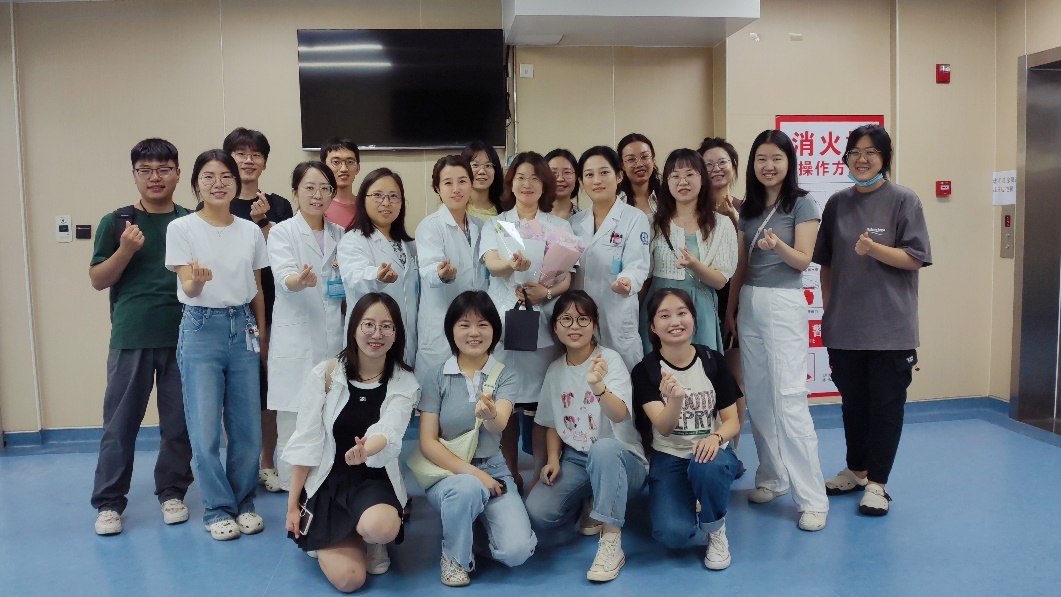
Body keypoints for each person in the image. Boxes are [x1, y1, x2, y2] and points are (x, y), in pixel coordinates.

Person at [814, 124, 932, 516]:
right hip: (845, 329)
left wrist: (874, 249)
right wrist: (830, 309)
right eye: (855, 152)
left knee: (886, 407)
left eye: (871, 152)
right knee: (853, 405)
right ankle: (857, 470)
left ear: (885, 158)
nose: (861, 160)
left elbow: (915, 257)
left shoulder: (904, 200)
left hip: (890, 330)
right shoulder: (837, 203)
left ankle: (878, 484)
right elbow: (827, 263)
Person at [725, 130, 829, 531]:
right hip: (750, 302)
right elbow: (740, 266)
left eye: (776, 158)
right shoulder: (749, 209)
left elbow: (804, 260)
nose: (768, 166)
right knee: (759, 397)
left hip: (784, 303)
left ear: (789, 163)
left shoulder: (803, 203)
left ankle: (812, 498)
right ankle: (772, 476)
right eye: (761, 159)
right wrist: (731, 311)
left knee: (789, 400)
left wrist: (776, 247)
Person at [89, 138, 193, 535]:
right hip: (131, 336)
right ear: (134, 175)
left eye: (164, 169)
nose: (155, 177)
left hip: (183, 337)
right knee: (119, 426)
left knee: (179, 425)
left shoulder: (190, 221)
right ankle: (109, 503)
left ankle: (172, 493)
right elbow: (98, 279)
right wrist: (125, 250)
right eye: (146, 170)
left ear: (178, 174)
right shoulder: (117, 222)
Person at [283, 293, 420, 593]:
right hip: (328, 483)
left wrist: (366, 449)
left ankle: (369, 539)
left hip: (373, 481)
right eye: (368, 324)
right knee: (349, 580)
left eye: (386, 327)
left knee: (381, 527)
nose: (377, 334)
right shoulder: (326, 374)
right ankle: (334, 537)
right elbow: (306, 441)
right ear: (354, 328)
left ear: (396, 334)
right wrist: (293, 506)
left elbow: (390, 429)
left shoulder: (404, 381)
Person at [165, 149, 269, 541]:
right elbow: (187, 286)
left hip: (243, 327)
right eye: (208, 177)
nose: (218, 183)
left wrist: (262, 334)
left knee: (248, 427)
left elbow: (257, 288)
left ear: (236, 184)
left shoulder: (250, 231)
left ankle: (244, 502)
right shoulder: (182, 228)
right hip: (200, 327)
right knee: (205, 427)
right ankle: (217, 509)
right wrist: (196, 280)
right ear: (196, 184)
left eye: (226, 176)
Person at [524, 291, 647, 583]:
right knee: (539, 512)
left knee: (603, 449)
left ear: (594, 325)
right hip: (578, 460)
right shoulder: (555, 370)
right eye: (566, 319)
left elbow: (619, 414)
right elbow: (551, 423)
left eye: (583, 319)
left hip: (621, 457)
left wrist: (598, 386)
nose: (574, 326)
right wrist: (553, 459)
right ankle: (591, 497)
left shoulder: (609, 360)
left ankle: (611, 541)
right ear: (555, 327)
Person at [418, 291, 537, 587]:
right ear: (451, 330)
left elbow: (499, 426)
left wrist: (490, 414)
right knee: (467, 488)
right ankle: (453, 557)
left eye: (483, 324)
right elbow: (428, 443)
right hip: (447, 472)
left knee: (517, 551)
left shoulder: (505, 375)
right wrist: (475, 475)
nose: (474, 332)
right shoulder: (436, 376)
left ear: (494, 330)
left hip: (494, 468)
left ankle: (468, 530)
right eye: (464, 324)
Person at [480, 151, 573, 494]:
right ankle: (509, 473)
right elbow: (491, 264)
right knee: (505, 403)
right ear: (511, 184)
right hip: (505, 326)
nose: (527, 184)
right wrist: (511, 266)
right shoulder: (496, 224)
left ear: (544, 184)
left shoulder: (560, 226)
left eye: (535, 177)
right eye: (520, 177)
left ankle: (537, 475)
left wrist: (545, 292)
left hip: (543, 325)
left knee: (540, 407)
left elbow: (567, 278)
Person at [632, 288, 742, 570]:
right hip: (670, 455)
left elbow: (732, 421)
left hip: (712, 453)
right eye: (664, 316)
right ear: (652, 326)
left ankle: (715, 528)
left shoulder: (712, 360)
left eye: (682, 313)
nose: (675, 322)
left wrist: (715, 438)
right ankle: (692, 496)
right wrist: (676, 400)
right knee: (673, 534)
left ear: (693, 318)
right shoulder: (645, 370)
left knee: (708, 464)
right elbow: (664, 428)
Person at [221, 127, 295, 494]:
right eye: (240, 154)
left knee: (269, 390)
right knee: (234, 392)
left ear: (264, 162)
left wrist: (264, 222)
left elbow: (284, 252)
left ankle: (267, 463)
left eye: (256, 155)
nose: (248, 160)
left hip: (274, 305)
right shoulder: (219, 204)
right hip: (230, 308)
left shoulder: (278, 204)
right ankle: (240, 464)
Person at [266, 161, 345, 491]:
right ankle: (291, 490)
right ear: (295, 192)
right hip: (296, 340)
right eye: (309, 188)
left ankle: (324, 486)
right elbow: (283, 277)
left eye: (324, 188)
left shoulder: (340, 234)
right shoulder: (282, 232)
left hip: (334, 339)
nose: (317, 195)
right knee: (293, 421)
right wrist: (298, 281)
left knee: (330, 418)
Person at [641, 148, 737, 356]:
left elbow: (720, 281)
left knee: (701, 369)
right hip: (660, 309)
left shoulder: (721, 224)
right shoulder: (652, 224)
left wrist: (695, 265)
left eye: (689, 174)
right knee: (658, 370)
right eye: (675, 176)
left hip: (700, 309)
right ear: (667, 182)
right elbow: (643, 273)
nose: (682, 182)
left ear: (702, 179)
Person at [570, 146, 651, 372]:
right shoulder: (574, 223)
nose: (597, 180)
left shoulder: (634, 218)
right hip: (580, 317)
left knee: (621, 378)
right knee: (584, 380)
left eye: (604, 172)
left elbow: (637, 264)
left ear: (619, 176)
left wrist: (627, 281)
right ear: (581, 182)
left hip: (616, 313)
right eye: (589, 175)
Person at [415, 155, 487, 380]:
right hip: (441, 324)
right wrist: (442, 274)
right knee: (435, 389)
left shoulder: (480, 226)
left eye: (462, 181)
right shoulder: (430, 226)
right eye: (448, 183)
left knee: (472, 389)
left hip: (475, 323)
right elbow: (427, 268)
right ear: (438, 188)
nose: (456, 189)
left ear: (471, 184)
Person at [699, 137, 747, 475]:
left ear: (733, 167)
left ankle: (733, 451)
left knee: (733, 380)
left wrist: (735, 220)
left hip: (735, 301)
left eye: (722, 162)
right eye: (708, 164)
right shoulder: (692, 209)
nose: (716, 169)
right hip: (700, 302)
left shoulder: (747, 209)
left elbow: (753, 260)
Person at [337, 168, 418, 368]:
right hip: (371, 339)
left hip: (408, 340)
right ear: (363, 200)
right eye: (378, 195)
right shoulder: (353, 240)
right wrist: (377, 276)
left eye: (393, 196)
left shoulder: (408, 245)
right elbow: (355, 278)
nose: (386, 203)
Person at [321, 137, 361, 230]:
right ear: (324, 167)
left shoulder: (366, 206)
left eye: (350, 162)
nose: (344, 169)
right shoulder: (316, 206)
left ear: (358, 168)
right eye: (336, 162)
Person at [617, 133, 661, 216]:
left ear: (653, 160)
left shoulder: (666, 198)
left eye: (644, 157)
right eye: (631, 159)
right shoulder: (616, 202)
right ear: (623, 165)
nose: (639, 164)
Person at [461, 141, 504, 221]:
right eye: (475, 165)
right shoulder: (456, 208)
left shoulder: (505, 210)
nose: (482, 171)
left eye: (488, 165)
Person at [545, 148, 581, 220]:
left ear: (576, 177)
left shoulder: (586, 221)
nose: (560, 179)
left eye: (567, 172)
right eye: (553, 173)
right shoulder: (532, 218)